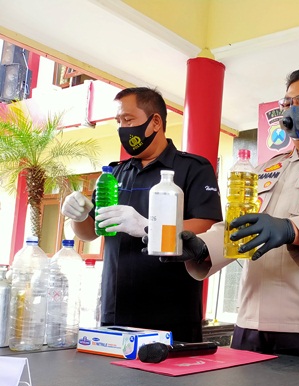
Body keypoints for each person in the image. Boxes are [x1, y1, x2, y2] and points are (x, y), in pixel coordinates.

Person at [161, 69, 299, 363]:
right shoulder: (266, 168)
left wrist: (292, 229)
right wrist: (204, 247)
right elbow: (241, 223)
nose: (293, 108)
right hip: (251, 322)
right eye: (287, 103)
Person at [61, 87, 222, 342]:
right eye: (118, 122)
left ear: (155, 122)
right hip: (115, 313)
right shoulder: (114, 174)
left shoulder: (192, 168)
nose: (122, 128)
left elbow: (207, 228)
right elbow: (91, 232)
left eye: (128, 120)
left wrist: (149, 227)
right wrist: (77, 215)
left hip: (172, 314)